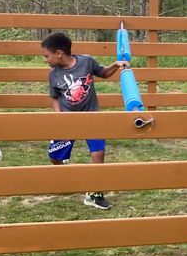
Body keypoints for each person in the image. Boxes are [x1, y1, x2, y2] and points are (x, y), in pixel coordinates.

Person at [41, 31, 129, 210]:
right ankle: (65, 173)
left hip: (92, 116)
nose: (45, 60)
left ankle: (95, 194)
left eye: (46, 56)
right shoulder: (53, 74)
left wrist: (116, 64)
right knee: (55, 156)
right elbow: (54, 96)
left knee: (98, 153)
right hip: (68, 120)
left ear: (59, 53)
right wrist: (58, 116)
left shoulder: (86, 61)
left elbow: (103, 73)